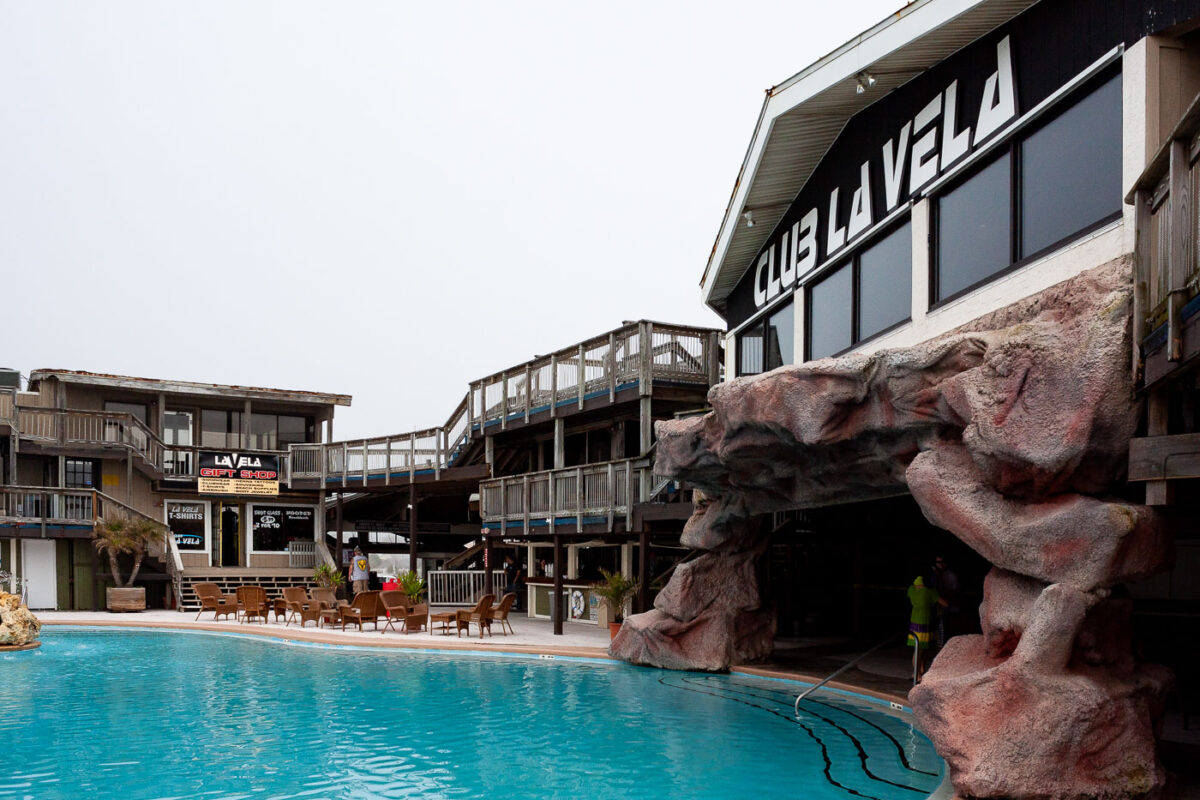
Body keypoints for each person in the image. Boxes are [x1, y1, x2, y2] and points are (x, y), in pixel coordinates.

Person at [907, 576, 947, 683]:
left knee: (918, 649)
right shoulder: (929, 592)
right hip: (924, 624)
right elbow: (945, 603)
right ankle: (918, 674)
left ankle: (917, 671)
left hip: (914, 624)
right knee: (920, 650)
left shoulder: (911, 590)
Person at [928, 555, 960, 649]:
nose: (940, 565)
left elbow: (956, 591)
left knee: (945, 631)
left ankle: (942, 650)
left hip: (948, 608)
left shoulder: (950, 576)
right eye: (938, 563)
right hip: (935, 608)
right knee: (935, 631)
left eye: (942, 562)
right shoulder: (933, 575)